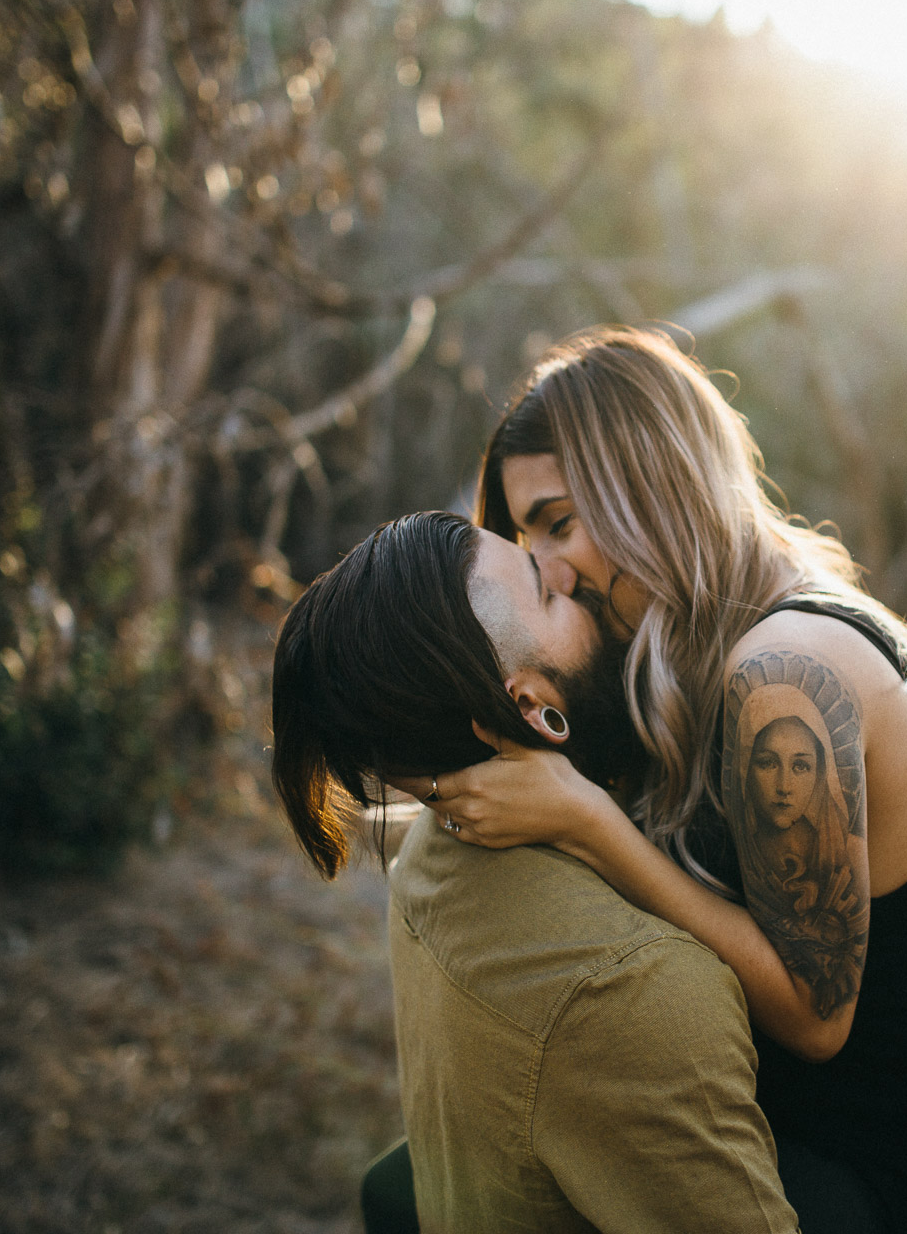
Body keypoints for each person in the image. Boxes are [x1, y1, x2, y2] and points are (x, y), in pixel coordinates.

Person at [402, 327, 907, 1233]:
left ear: (651, 483)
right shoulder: (674, 638)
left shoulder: (782, 669)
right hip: (772, 1099)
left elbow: (817, 1015)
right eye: (522, 535)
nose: (546, 567)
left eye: (558, 522)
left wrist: (591, 823)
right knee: (419, 1183)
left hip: (904, 1144)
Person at [271, 510, 799, 1234]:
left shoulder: (431, 852)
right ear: (533, 709)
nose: (565, 572)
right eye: (543, 592)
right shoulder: (632, 987)